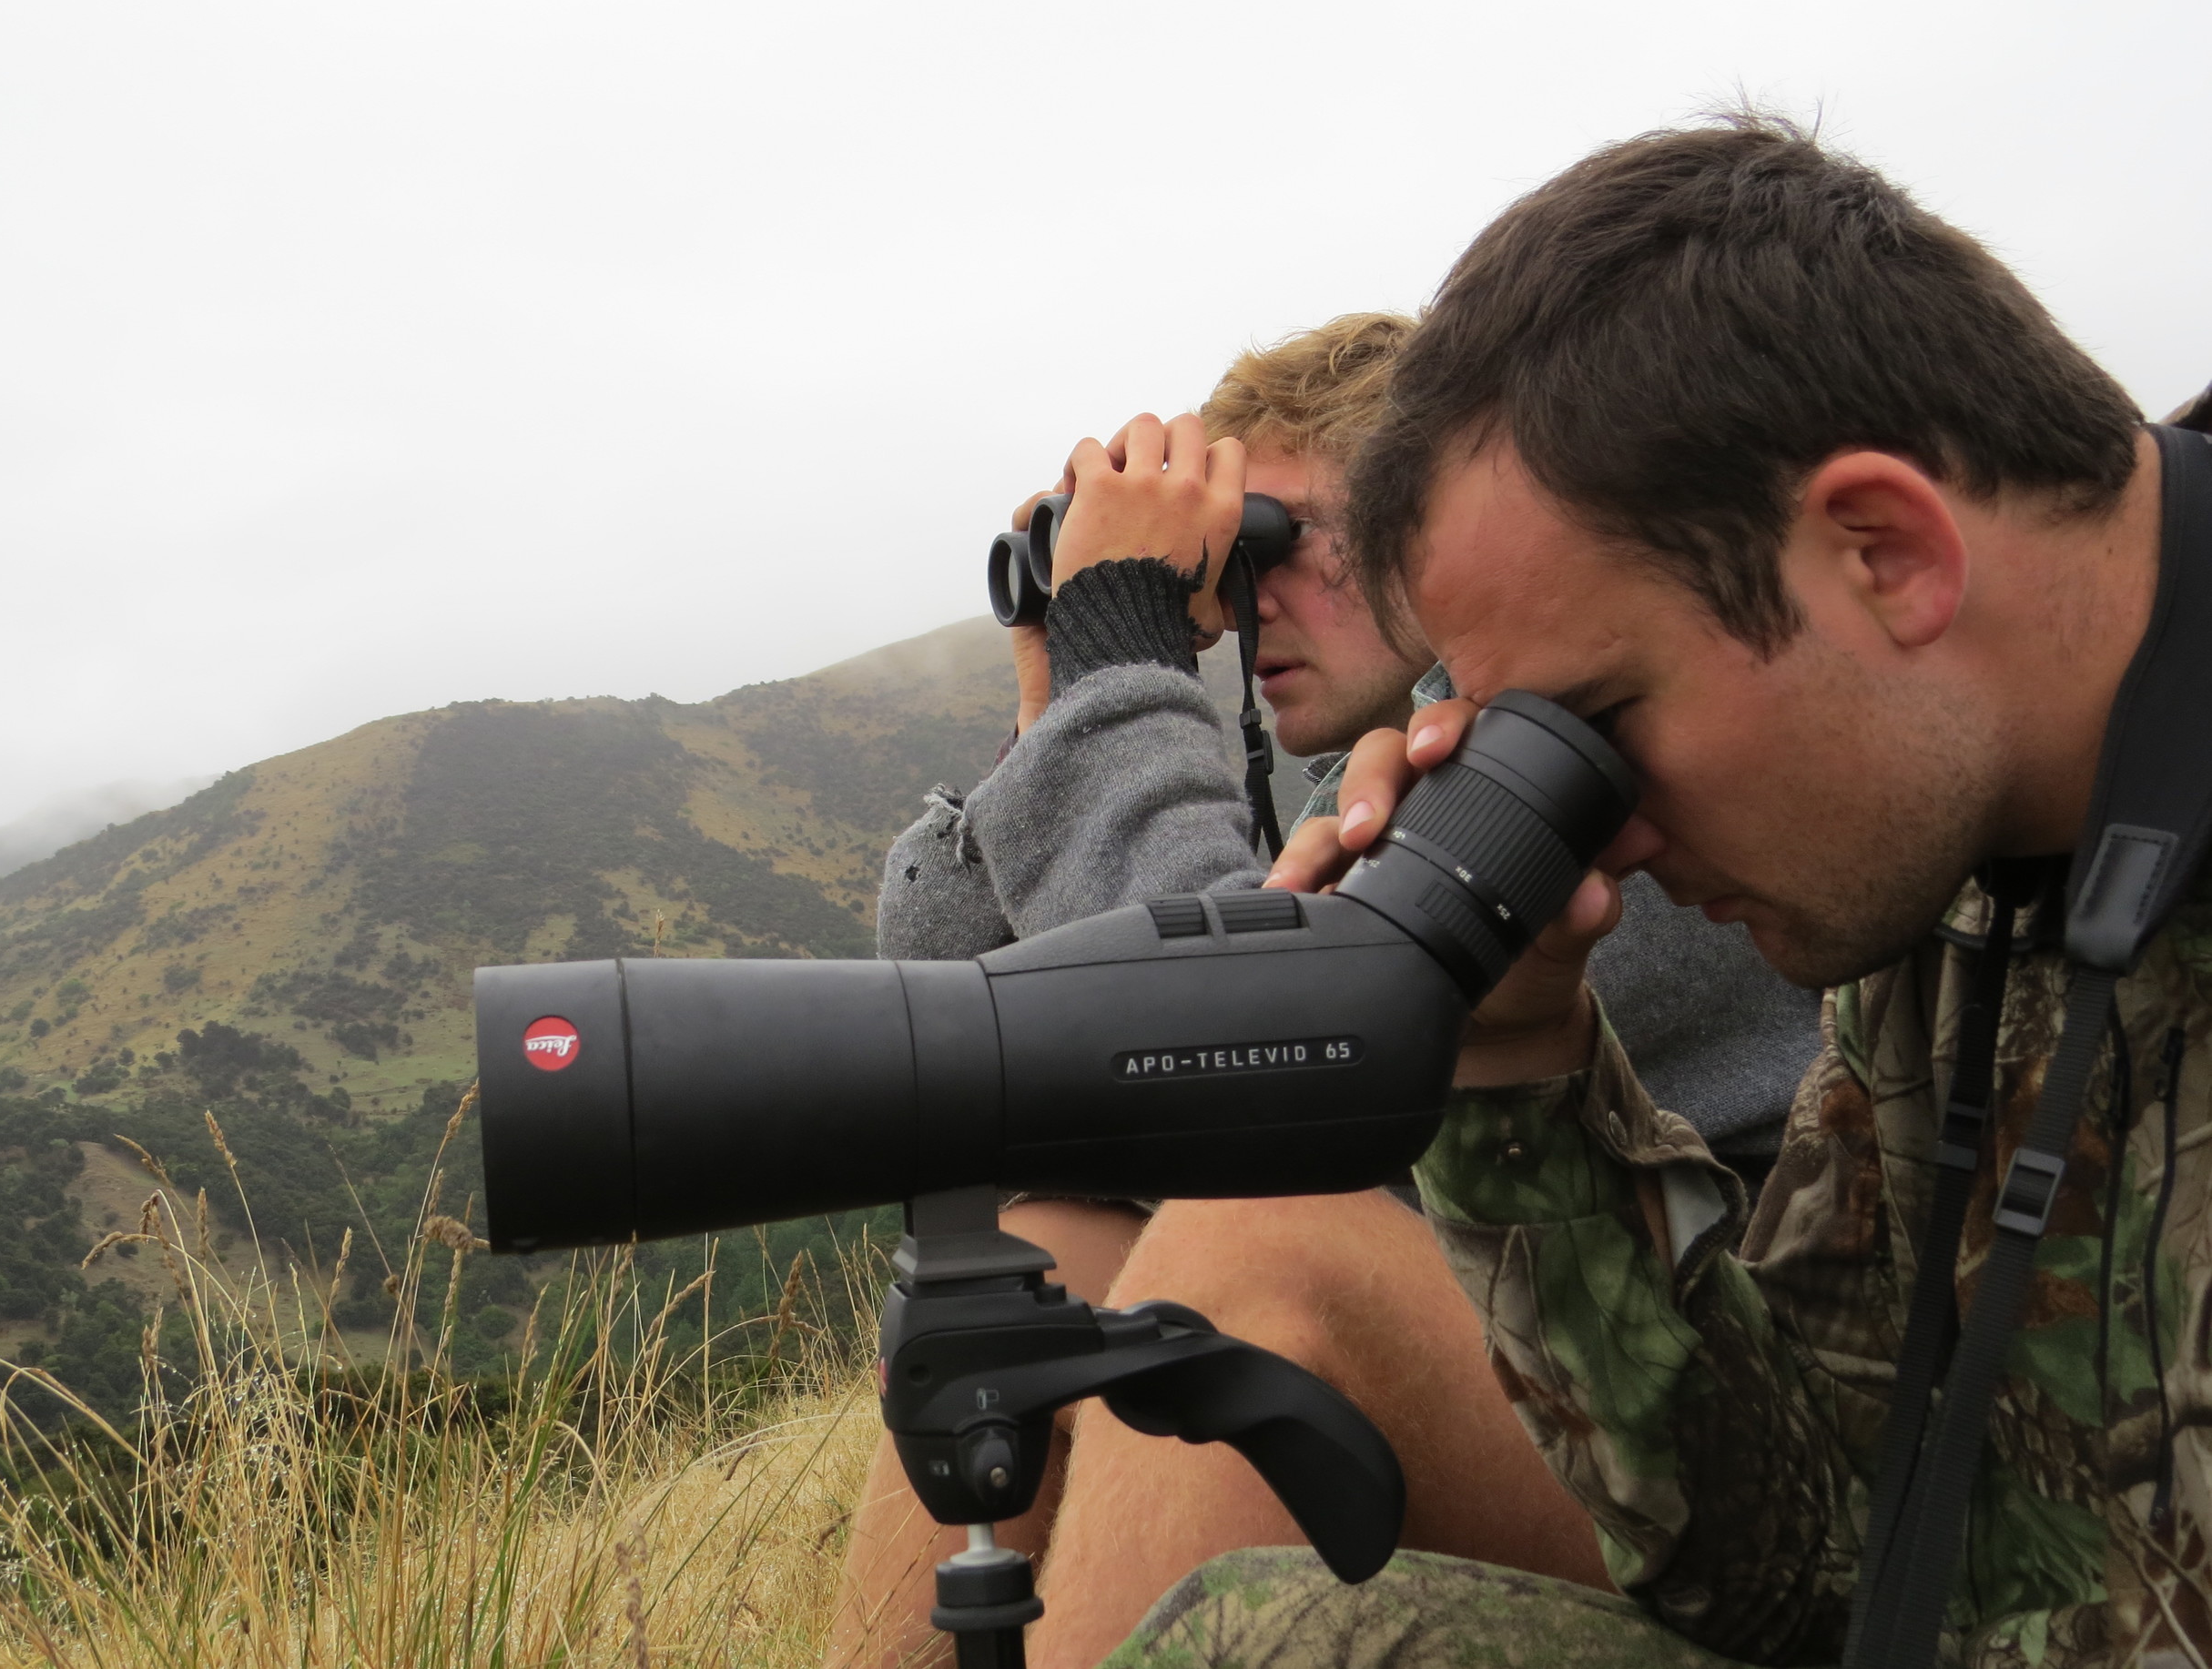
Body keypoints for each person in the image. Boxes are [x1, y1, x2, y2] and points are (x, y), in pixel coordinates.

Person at [1095, 119, 2212, 1669]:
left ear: (1884, 552)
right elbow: (1795, 1564)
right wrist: (1516, 1054)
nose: (1603, 842)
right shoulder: (1951, 873)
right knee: (1249, 1641)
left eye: (1599, 727)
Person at [827, 315, 1822, 1669]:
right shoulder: (1352, 788)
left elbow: (1237, 1064)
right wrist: (1060, 692)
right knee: (1042, 1251)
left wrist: (1127, 671)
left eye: (1276, 539)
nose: (1244, 601)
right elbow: (968, 1008)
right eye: (1228, 559)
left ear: (1439, 526)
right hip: (1546, 1363)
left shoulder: (1551, 768)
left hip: (1747, 1410)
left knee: (1254, 1256)